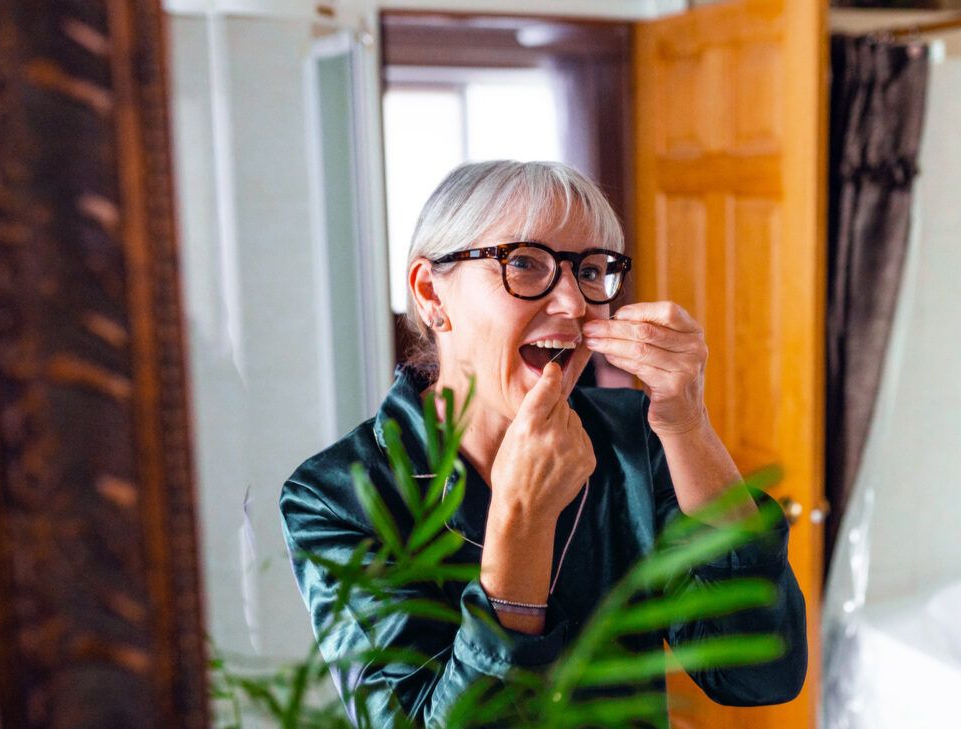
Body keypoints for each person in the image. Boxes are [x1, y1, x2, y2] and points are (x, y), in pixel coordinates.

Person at [280, 160, 807, 725]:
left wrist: (686, 424)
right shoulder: (335, 496)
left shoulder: (633, 438)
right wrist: (522, 523)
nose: (574, 305)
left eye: (590, 270)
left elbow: (758, 675)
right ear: (431, 293)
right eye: (525, 264)